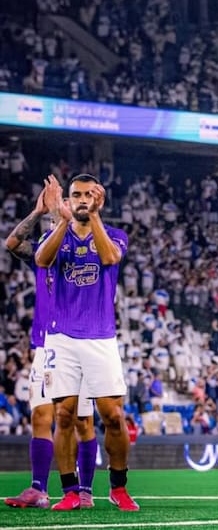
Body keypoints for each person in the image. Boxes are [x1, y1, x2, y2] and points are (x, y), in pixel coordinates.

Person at [34, 173, 137, 511]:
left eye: (88, 195)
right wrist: (63, 221)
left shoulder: (115, 235)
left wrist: (93, 216)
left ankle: (118, 487)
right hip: (61, 338)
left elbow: (109, 258)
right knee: (64, 416)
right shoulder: (56, 235)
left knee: (113, 416)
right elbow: (41, 260)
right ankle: (70, 492)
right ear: (68, 199)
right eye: (76, 195)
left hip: (100, 338)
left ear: (99, 199)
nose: (81, 199)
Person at [4, 191, 97, 510]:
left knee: (82, 421)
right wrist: (36, 210)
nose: (62, 209)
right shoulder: (44, 247)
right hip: (44, 345)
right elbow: (12, 245)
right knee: (41, 416)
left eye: (66, 205)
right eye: (57, 209)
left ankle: (84, 490)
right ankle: (38, 489)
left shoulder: (90, 248)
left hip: (80, 342)